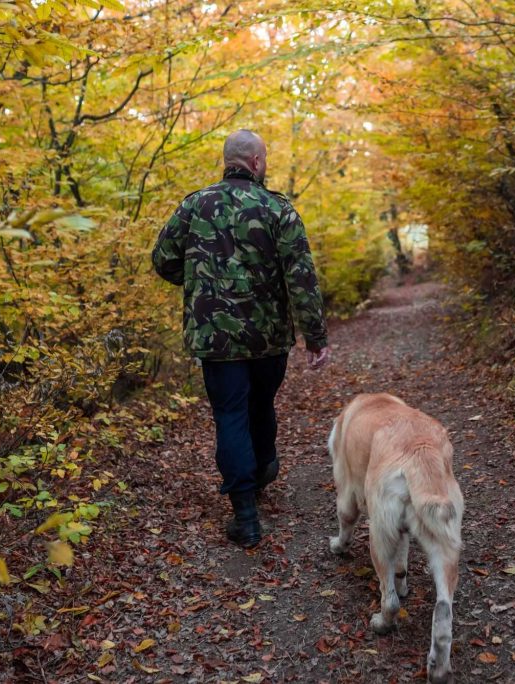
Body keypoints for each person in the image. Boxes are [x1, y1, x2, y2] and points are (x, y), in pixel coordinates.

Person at [151, 129, 330, 548]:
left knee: (230, 414)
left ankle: (245, 515)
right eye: (264, 159)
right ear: (255, 162)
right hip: (268, 338)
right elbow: (301, 278)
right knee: (260, 404)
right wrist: (315, 336)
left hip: (216, 341)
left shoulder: (195, 205)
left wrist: (198, 280)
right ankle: (263, 468)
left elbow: (163, 260)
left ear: (227, 161)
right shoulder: (278, 209)